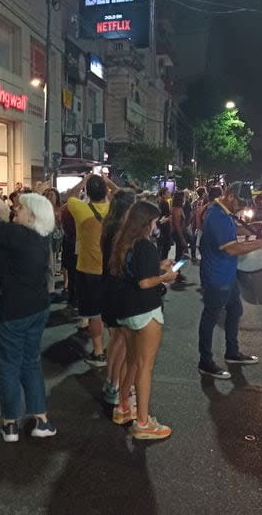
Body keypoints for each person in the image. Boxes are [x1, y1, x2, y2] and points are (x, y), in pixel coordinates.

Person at [0, 181, 58, 442]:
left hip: (11, 309)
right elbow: (1, 213)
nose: (14, 209)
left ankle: (10, 423)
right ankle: (40, 420)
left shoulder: (18, 236)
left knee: (8, 365)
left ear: (31, 215)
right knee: (30, 361)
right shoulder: (38, 236)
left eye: (20, 208)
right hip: (37, 307)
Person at [109, 200, 177, 440]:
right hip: (145, 309)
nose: (156, 225)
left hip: (125, 309)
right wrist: (166, 276)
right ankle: (143, 422)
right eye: (155, 221)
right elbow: (145, 282)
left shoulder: (124, 243)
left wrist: (157, 266)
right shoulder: (145, 245)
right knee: (145, 365)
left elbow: (136, 271)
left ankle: (123, 406)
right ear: (146, 222)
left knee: (132, 360)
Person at [197, 183, 262, 379]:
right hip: (216, 276)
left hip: (227, 273)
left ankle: (232, 352)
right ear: (230, 196)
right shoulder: (217, 216)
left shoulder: (222, 213)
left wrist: (254, 228)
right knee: (210, 317)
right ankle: (205, 361)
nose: (241, 207)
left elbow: (232, 231)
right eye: (240, 203)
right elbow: (231, 248)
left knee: (235, 310)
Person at [66, 173, 118, 366]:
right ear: (106, 190)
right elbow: (125, 195)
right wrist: (109, 181)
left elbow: (68, 195)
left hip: (88, 269)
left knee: (94, 313)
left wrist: (83, 180)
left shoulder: (81, 208)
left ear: (87, 191)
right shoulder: (115, 209)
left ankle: (98, 352)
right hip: (111, 269)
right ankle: (115, 349)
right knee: (111, 312)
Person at [100, 188, 137, 424]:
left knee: (115, 338)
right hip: (120, 289)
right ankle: (116, 386)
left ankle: (111, 383)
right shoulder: (123, 231)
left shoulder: (108, 224)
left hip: (107, 286)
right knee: (122, 340)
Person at [156, 187, 173, 260]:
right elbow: (163, 217)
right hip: (164, 229)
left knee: (162, 249)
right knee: (165, 249)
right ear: (163, 194)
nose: (169, 193)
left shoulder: (161, 202)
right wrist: (169, 218)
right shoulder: (164, 203)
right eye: (168, 192)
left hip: (162, 229)